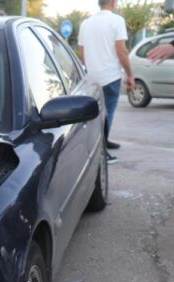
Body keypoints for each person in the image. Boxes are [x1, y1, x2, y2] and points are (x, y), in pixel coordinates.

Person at [78, 0, 134, 161]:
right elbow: (122, 51)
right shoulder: (117, 21)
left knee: (96, 114)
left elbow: (82, 53)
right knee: (107, 115)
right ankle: (101, 153)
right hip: (110, 77)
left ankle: (104, 141)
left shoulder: (86, 23)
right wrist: (130, 74)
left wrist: (91, 69)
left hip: (92, 78)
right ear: (113, 3)